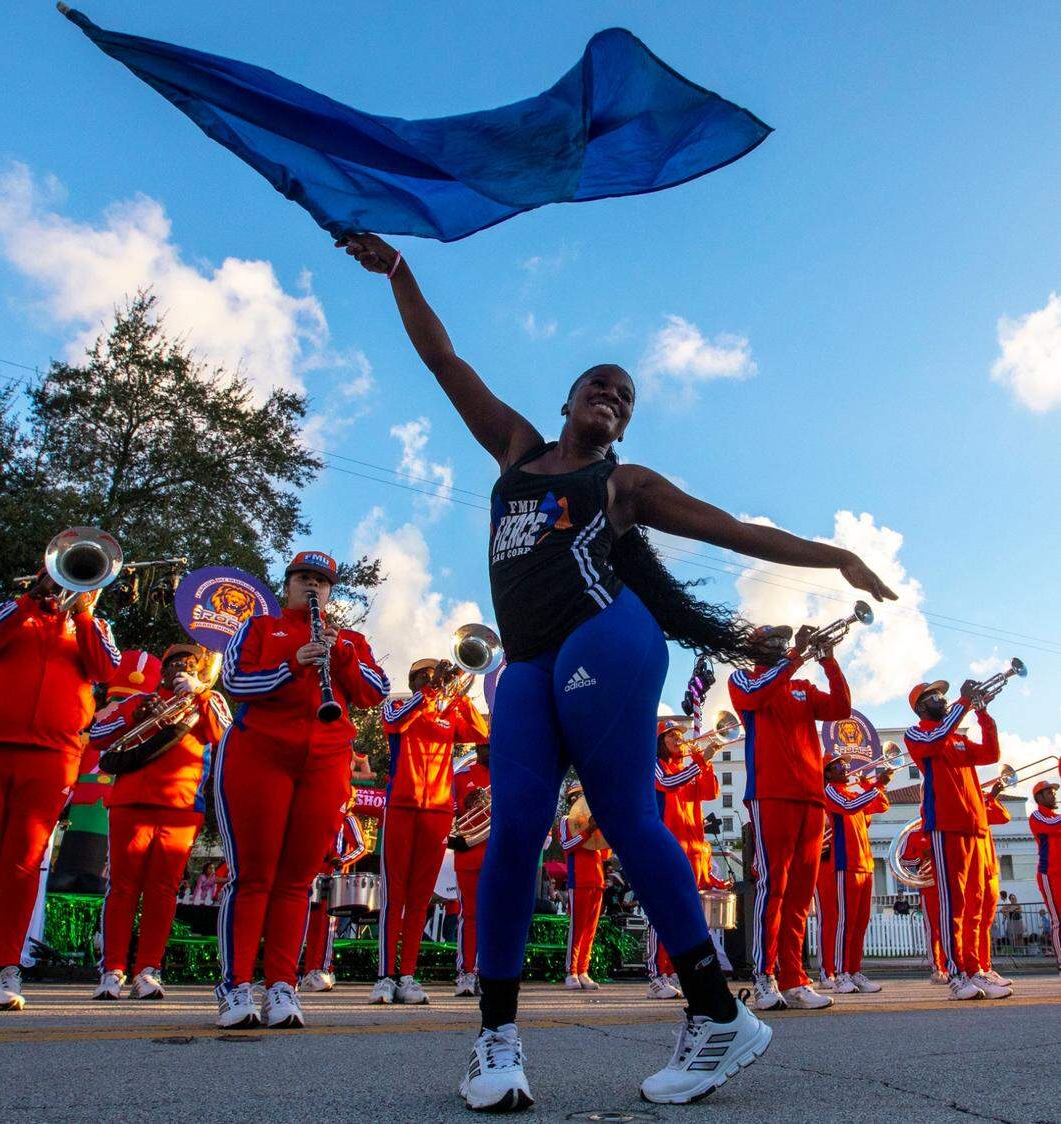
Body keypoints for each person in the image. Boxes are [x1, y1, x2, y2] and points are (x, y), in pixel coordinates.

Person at [339, 231, 893, 1109]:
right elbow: (444, 362)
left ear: (625, 425)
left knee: (629, 814)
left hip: (609, 637)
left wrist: (835, 559)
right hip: (527, 664)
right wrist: (401, 272)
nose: (612, 397)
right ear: (568, 400)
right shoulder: (518, 451)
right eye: (600, 385)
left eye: (626, 397)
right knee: (513, 831)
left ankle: (716, 1015)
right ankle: (496, 1043)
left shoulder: (623, 484)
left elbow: (736, 531)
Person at [0, 573, 120, 1013]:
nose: (69, 584)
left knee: (23, 863)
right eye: (65, 572)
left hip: (51, 755)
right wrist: (31, 600)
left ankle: (4, 968)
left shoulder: (95, 626)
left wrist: (84, 613)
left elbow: (105, 667)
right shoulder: (13, 610)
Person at [216, 550, 389, 1029]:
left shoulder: (348, 637)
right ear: (288, 583)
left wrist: (342, 654)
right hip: (260, 754)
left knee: (298, 881)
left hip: (326, 761)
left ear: (331, 591)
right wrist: (293, 663)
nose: (313, 587)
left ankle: (281, 985)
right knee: (253, 876)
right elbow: (234, 680)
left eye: (322, 581)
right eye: (304, 578)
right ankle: (234, 986)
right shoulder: (258, 627)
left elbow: (375, 692)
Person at [89, 645, 231, 1001]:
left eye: (189, 664)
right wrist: (136, 714)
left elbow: (228, 737)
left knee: (163, 891)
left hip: (181, 808)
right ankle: (113, 970)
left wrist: (200, 694)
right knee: (122, 888)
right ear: (162, 670)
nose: (180, 668)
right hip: (129, 804)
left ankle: (148, 969)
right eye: (174, 663)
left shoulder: (207, 700)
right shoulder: (140, 698)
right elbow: (96, 734)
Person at [728, 623, 852, 1012]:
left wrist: (829, 660)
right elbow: (758, 695)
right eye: (774, 641)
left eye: (785, 641)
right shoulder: (744, 679)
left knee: (800, 893)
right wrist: (796, 657)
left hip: (811, 797)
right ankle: (763, 976)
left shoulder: (801, 687)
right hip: (770, 793)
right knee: (772, 886)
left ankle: (794, 977)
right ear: (756, 648)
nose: (782, 645)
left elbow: (840, 709)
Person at [372, 658, 488, 1006]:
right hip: (402, 806)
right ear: (415, 679)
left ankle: (406, 974)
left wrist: (461, 695)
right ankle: (384, 976)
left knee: (420, 897)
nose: (433, 681)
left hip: (437, 810)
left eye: (436, 676)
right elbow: (393, 721)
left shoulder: (449, 713)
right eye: (426, 676)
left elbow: (480, 734)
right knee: (395, 894)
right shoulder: (399, 706)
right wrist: (429, 692)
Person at [903, 679, 1009, 1000]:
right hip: (946, 825)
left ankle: (976, 967)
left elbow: (991, 753)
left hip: (975, 826)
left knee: (976, 903)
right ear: (921, 706)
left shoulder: (957, 737)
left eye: (943, 695)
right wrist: (964, 703)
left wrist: (983, 714)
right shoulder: (918, 733)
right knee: (955, 905)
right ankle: (955, 973)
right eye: (935, 696)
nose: (942, 699)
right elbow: (935, 739)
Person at [645, 717, 728, 1000]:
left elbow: (711, 792)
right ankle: (657, 975)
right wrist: (698, 762)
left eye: (679, 734)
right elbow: (668, 783)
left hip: (695, 851)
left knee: (689, 915)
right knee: (664, 911)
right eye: (671, 736)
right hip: (668, 847)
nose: (678, 739)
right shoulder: (655, 765)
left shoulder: (688, 767)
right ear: (660, 741)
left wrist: (706, 762)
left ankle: (677, 971)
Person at [814, 752, 889, 994]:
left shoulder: (855, 793)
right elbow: (848, 807)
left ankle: (853, 970)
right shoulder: (830, 792)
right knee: (841, 922)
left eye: (846, 764)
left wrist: (871, 784)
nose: (846, 768)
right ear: (827, 773)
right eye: (838, 766)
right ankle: (837, 972)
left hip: (863, 864)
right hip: (841, 864)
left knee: (859, 923)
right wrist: (877, 785)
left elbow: (882, 805)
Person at [299, 798, 366, 992]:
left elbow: (361, 846)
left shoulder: (349, 818)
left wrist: (341, 861)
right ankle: (305, 970)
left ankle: (323, 969)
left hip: (334, 878)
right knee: (307, 924)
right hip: (312, 875)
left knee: (327, 927)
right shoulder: (318, 814)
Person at [557, 784, 611, 991]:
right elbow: (566, 847)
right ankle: (571, 971)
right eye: (577, 797)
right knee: (577, 928)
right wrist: (588, 831)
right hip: (578, 879)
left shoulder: (595, 822)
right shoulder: (565, 821)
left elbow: (605, 852)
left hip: (597, 880)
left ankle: (583, 970)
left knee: (590, 929)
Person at [449, 740, 492, 997]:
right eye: (483, 746)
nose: (487, 751)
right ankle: (466, 972)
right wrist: (465, 807)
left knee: (494, 916)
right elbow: (451, 814)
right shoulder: (461, 776)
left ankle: (489, 972)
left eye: (491, 745)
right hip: (468, 856)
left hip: (496, 856)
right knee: (470, 915)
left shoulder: (507, 774)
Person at [899, 828, 947, 983]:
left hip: (949, 884)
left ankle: (954, 965)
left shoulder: (945, 831)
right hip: (929, 888)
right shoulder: (914, 835)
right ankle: (937, 968)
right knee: (934, 929)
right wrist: (921, 856)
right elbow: (903, 860)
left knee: (952, 927)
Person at [976, 790, 1014, 990]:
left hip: (990, 870)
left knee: (985, 924)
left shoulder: (981, 800)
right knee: (973, 923)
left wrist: (992, 798)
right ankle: (974, 969)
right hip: (974, 869)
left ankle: (985, 966)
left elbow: (1003, 817)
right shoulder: (968, 799)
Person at [1031, 780, 1061, 970]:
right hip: (1049, 874)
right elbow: (1050, 825)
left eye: (1053, 792)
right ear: (1039, 797)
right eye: (1049, 792)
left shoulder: (1056, 816)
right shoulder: (1037, 816)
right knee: (1058, 920)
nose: (1054, 795)